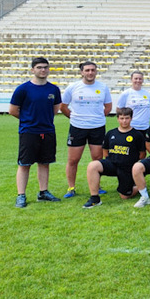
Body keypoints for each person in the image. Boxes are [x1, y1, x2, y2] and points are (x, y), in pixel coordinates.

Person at [10, 57, 62, 208]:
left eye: (45, 67)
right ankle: (21, 195)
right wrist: (28, 119)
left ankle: (43, 192)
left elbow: (55, 108)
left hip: (47, 131)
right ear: (33, 70)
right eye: (39, 67)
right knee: (24, 164)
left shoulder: (53, 89)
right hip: (29, 131)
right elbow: (13, 110)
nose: (43, 70)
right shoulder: (23, 89)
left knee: (45, 163)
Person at [60, 61, 112, 198]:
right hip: (77, 127)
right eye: (87, 70)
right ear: (82, 72)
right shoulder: (73, 87)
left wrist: (96, 117)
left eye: (93, 70)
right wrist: (75, 117)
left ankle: (97, 186)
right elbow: (63, 106)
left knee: (97, 158)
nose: (90, 73)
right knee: (73, 159)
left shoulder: (103, 87)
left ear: (96, 71)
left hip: (97, 127)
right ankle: (71, 187)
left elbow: (108, 106)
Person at [83, 107, 146, 208]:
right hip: (112, 164)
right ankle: (95, 198)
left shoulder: (137, 135)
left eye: (127, 118)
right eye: (121, 118)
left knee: (125, 196)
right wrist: (111, 160)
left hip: (127, 168)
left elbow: (142, 154)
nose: (124, 121)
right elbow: (105, 150)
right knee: (93, 165)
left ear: (131, 118)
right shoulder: (111, 133)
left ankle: (139, 186)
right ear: (117, 119)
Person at [116, 71, 150, 135]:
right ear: (131, 80)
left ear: (143, 80)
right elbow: (119, 110)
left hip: (145, 127)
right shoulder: (125, 94)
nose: (138, 80)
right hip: (131, 127)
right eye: (136, 78)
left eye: (140, 79)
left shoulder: (147, 94)